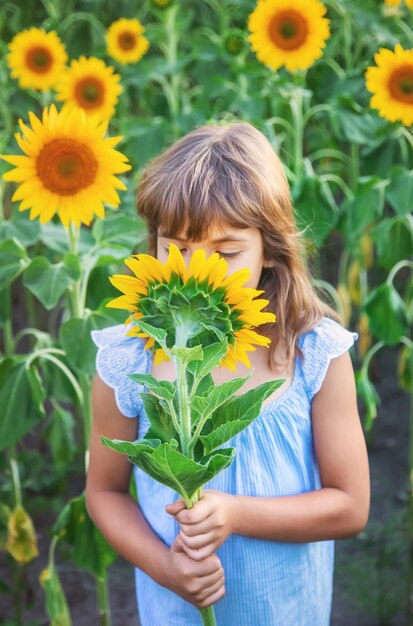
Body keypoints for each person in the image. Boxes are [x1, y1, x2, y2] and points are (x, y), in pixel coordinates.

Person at [86, 121, 370, 626]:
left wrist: (236, 514)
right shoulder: (130, 361)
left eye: (226, 253)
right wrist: (166, 568)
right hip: (177, 609)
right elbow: (104, 493)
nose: (199, 275)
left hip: (287, 610)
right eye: (176, 249)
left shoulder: (312, 355)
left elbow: (350, 506)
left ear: (270, 250)